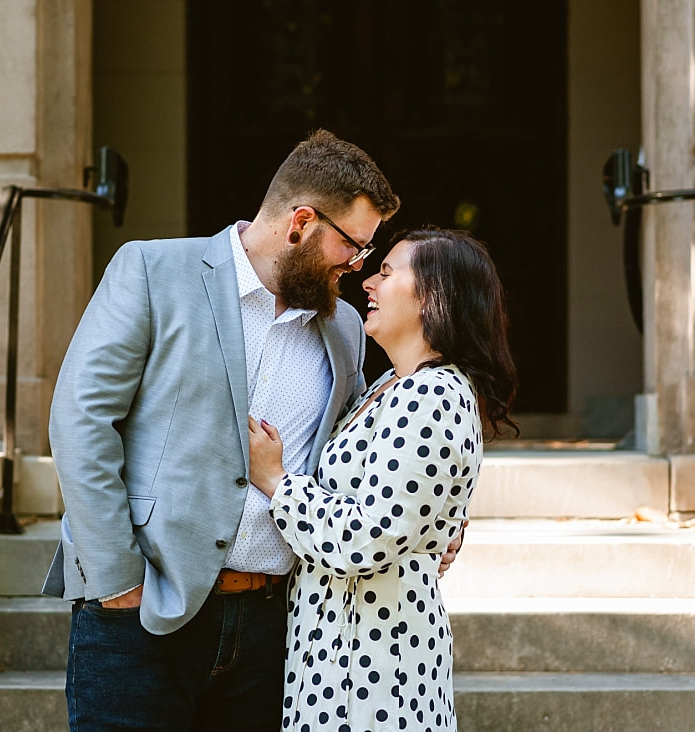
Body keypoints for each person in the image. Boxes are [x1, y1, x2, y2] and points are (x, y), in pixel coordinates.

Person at [43, 129, 415, 731]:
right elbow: (81, 419)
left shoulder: (344, 326)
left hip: (275, 630)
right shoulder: (152, 269)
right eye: (354, 245)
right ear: (300, 223)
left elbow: (357, 454)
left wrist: (425, 523)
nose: (357, 266)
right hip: (141, 619)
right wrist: (117, 582)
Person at [248, 227, 518, 732]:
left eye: (388, 272)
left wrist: (277, 480)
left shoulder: (431, 395)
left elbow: (367, 538)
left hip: (372, 664)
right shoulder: (391, 385)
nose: (368, 282)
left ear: (434, 296)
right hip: (339, 650)